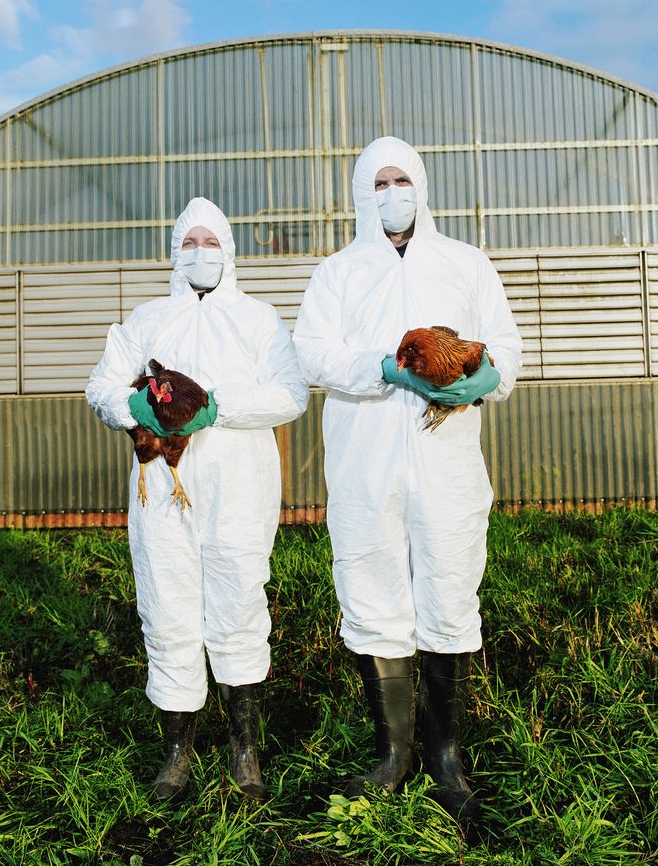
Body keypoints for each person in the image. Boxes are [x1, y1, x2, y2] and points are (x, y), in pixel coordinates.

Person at [292, 137, 522, 822]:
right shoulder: (337, 273)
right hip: (365, 462)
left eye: (403, 178)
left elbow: (505, 347)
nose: (393, 191)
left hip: (447, 464)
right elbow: (311, 352)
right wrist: (383, 368)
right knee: (371, 591)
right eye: (379, 181)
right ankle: (393, 755)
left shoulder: (465, 263)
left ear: (422, 186)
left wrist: (487, 377)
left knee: (449, 590)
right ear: (361, 194)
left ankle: (445, 756)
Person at [86, 197, 308, 802]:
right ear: (174, 251)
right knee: (168, 605)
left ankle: (245, 752)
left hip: (240, 489)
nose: (201, 253)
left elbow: (292, 395)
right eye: (190, 243)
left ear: (229, 252)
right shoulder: (147, 319)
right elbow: (101, 383)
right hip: (161, 489)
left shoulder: (260, 320)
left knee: (238, 606)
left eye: (212, 243)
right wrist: (127, 405)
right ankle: (177, 753)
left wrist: (218, 406)